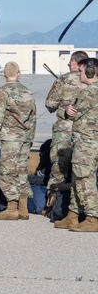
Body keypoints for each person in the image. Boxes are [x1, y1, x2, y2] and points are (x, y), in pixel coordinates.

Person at [0, 61, 37, 221]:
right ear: (19, 73)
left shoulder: (2, 92)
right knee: (21, 171)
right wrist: (30, 138)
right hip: (24, 138)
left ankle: (12, 207)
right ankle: (23, 208)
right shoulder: (27, 92)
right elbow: (32, 118)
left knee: (7, 173)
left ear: (4, 75)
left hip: (10, 138)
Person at [44, 50, 88, 220]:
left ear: (74, 62)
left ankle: (53, 206)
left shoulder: (63, 79)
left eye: (70, 62)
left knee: (58, 170)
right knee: (82, 171)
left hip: (63, 131)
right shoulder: (92, 81)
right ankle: (79, 209)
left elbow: (50, 104)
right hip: (84, 133)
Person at [60, 57, 98, 231]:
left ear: (90, 72)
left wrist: (68, 109)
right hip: (88, 141)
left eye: (82, 71)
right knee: (78, 178)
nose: (79, 74)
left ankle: (92, 217)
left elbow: (74, 112)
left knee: (84, 179)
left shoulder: (91, 91)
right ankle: (73, 214)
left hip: (86, 142)